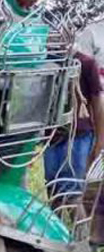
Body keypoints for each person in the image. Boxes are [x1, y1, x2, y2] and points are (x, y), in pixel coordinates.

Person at [44, 52, 104, 206]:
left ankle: (80, 230)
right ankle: (60, 227)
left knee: (73, 193)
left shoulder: (86, 63)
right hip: (52, 137)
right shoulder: (45, 61)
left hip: (78, 136)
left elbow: (98, 104)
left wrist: (99, 141)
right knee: (53, 190)